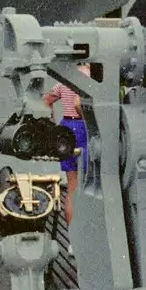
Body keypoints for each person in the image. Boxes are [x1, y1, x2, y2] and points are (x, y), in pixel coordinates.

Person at [42, 72, 88, 224]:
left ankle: (72, 239)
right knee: (90, 182)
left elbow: (46, 100)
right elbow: (78, 103)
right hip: (84, 127)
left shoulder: (65, 79)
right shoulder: (91, 77)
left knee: (72, 185)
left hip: (66, 128)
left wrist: (53, 126)